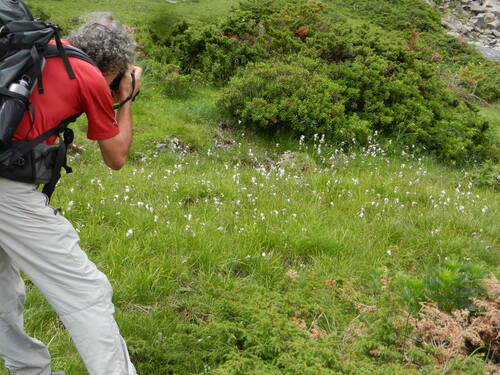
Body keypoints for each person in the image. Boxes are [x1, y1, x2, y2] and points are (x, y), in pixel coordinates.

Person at [0, 13, 141, 375]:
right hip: (7, 193)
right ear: (115, 65)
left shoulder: (38, 50)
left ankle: (27, 369)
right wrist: (125, 98)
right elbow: (116, 157)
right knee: (85, 291)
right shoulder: (90, 76)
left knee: (1, 286)